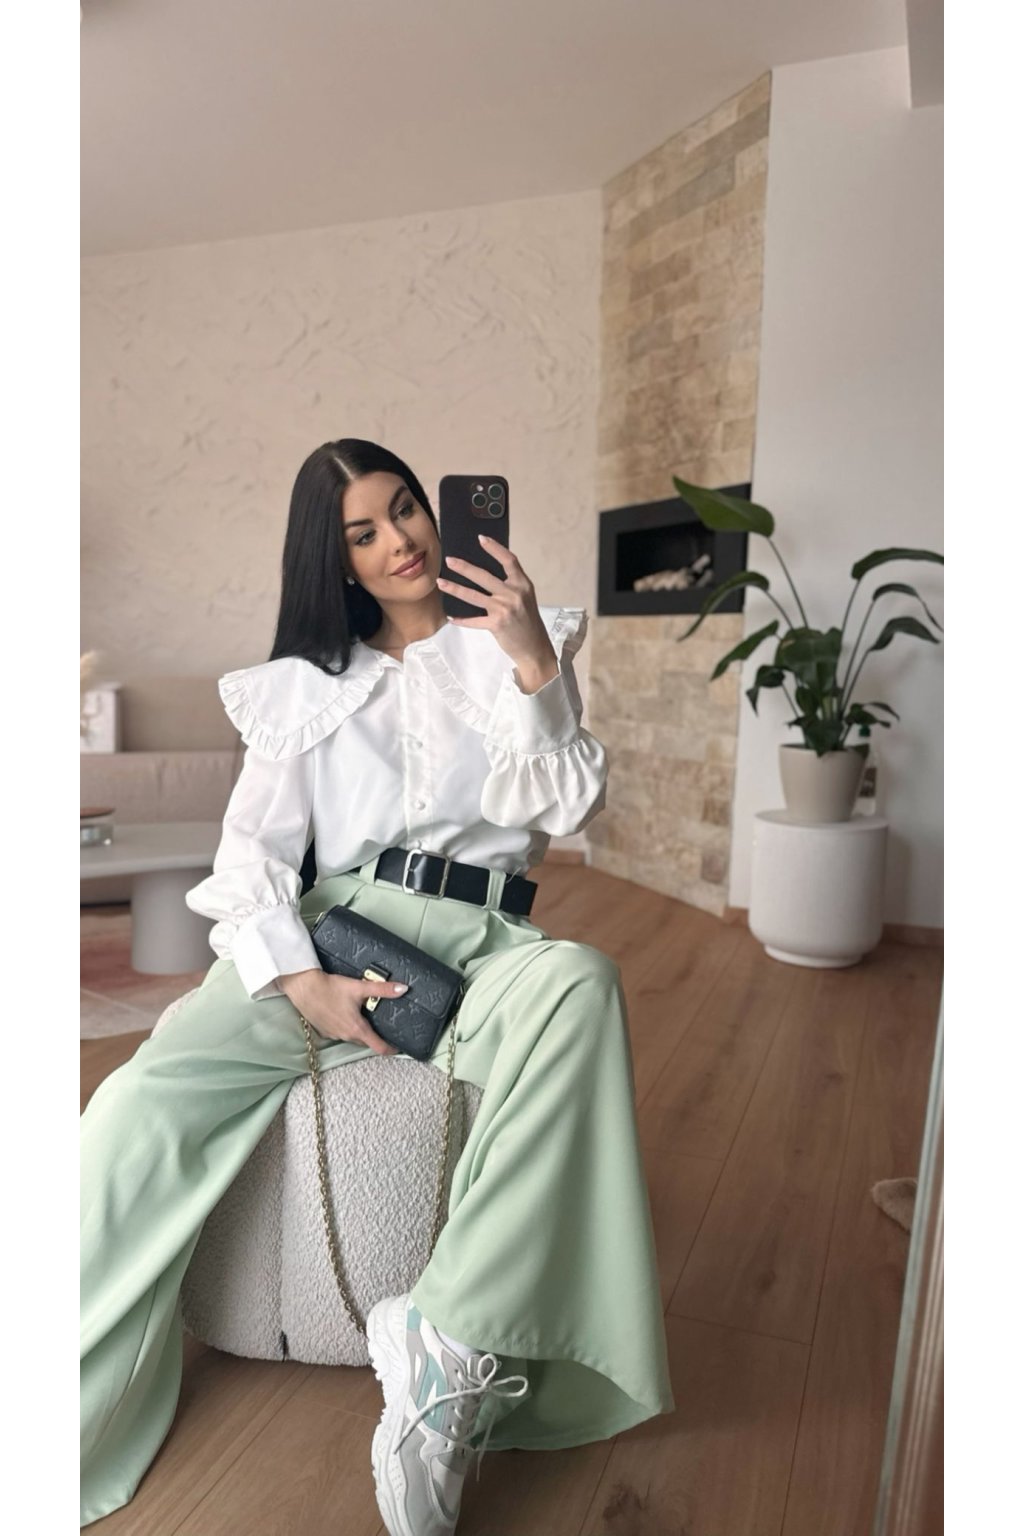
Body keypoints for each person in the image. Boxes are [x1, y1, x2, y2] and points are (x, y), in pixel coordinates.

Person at [80, 438, 675, 1534]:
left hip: (484, 939)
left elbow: (566, 807)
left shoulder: (517, 648)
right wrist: (300, 980)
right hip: (328, 933)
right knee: (132, 1108)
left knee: (581, 984)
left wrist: (531, 659)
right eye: (364, 531)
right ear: (336, 559)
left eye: (405, 508)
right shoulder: (302, 688)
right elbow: (252, 860)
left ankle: (443, 1347)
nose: (400, 539)